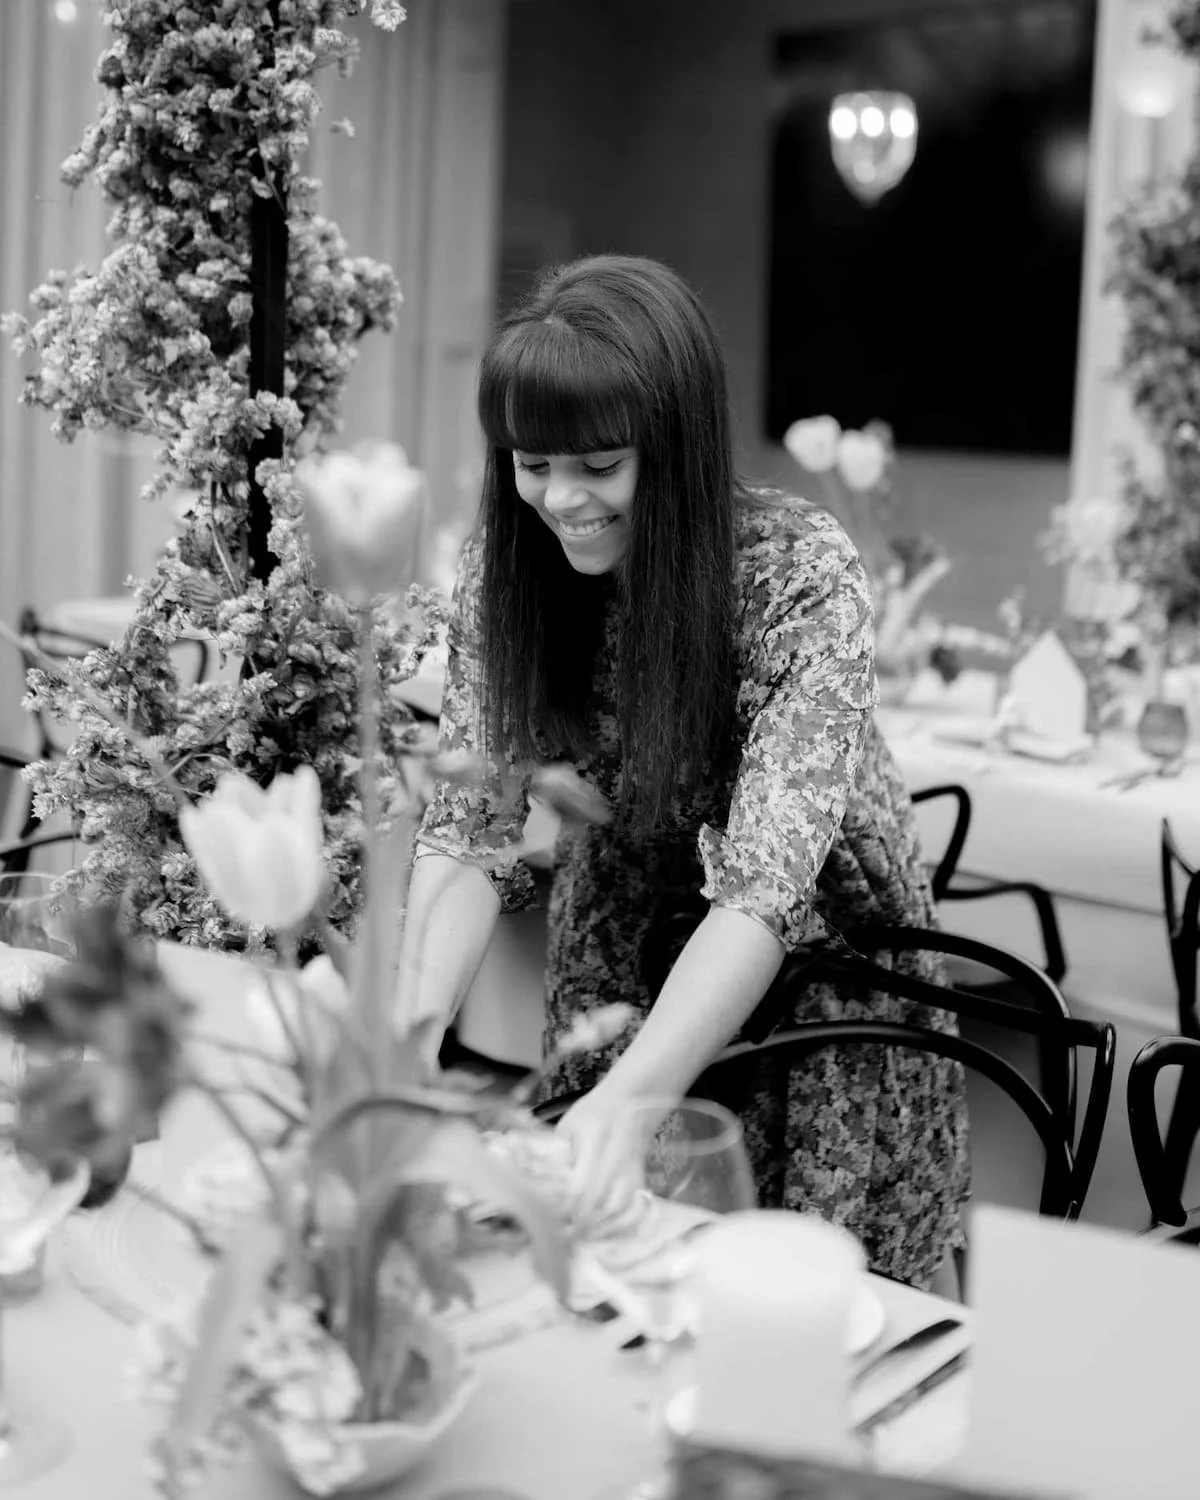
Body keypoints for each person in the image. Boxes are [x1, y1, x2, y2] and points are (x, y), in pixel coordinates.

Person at [401, 253, 969, 1290]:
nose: (561, 499)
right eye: (533, 463)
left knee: (792, 1307)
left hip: (816, 960)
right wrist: (410, 1037)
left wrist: (634, 1098)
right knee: (601, 1280)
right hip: (622, 932)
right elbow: (471, 829)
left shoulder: (798, 572)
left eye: (600, 464)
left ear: (678, 444)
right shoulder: (507, 571)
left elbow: (765, 892)